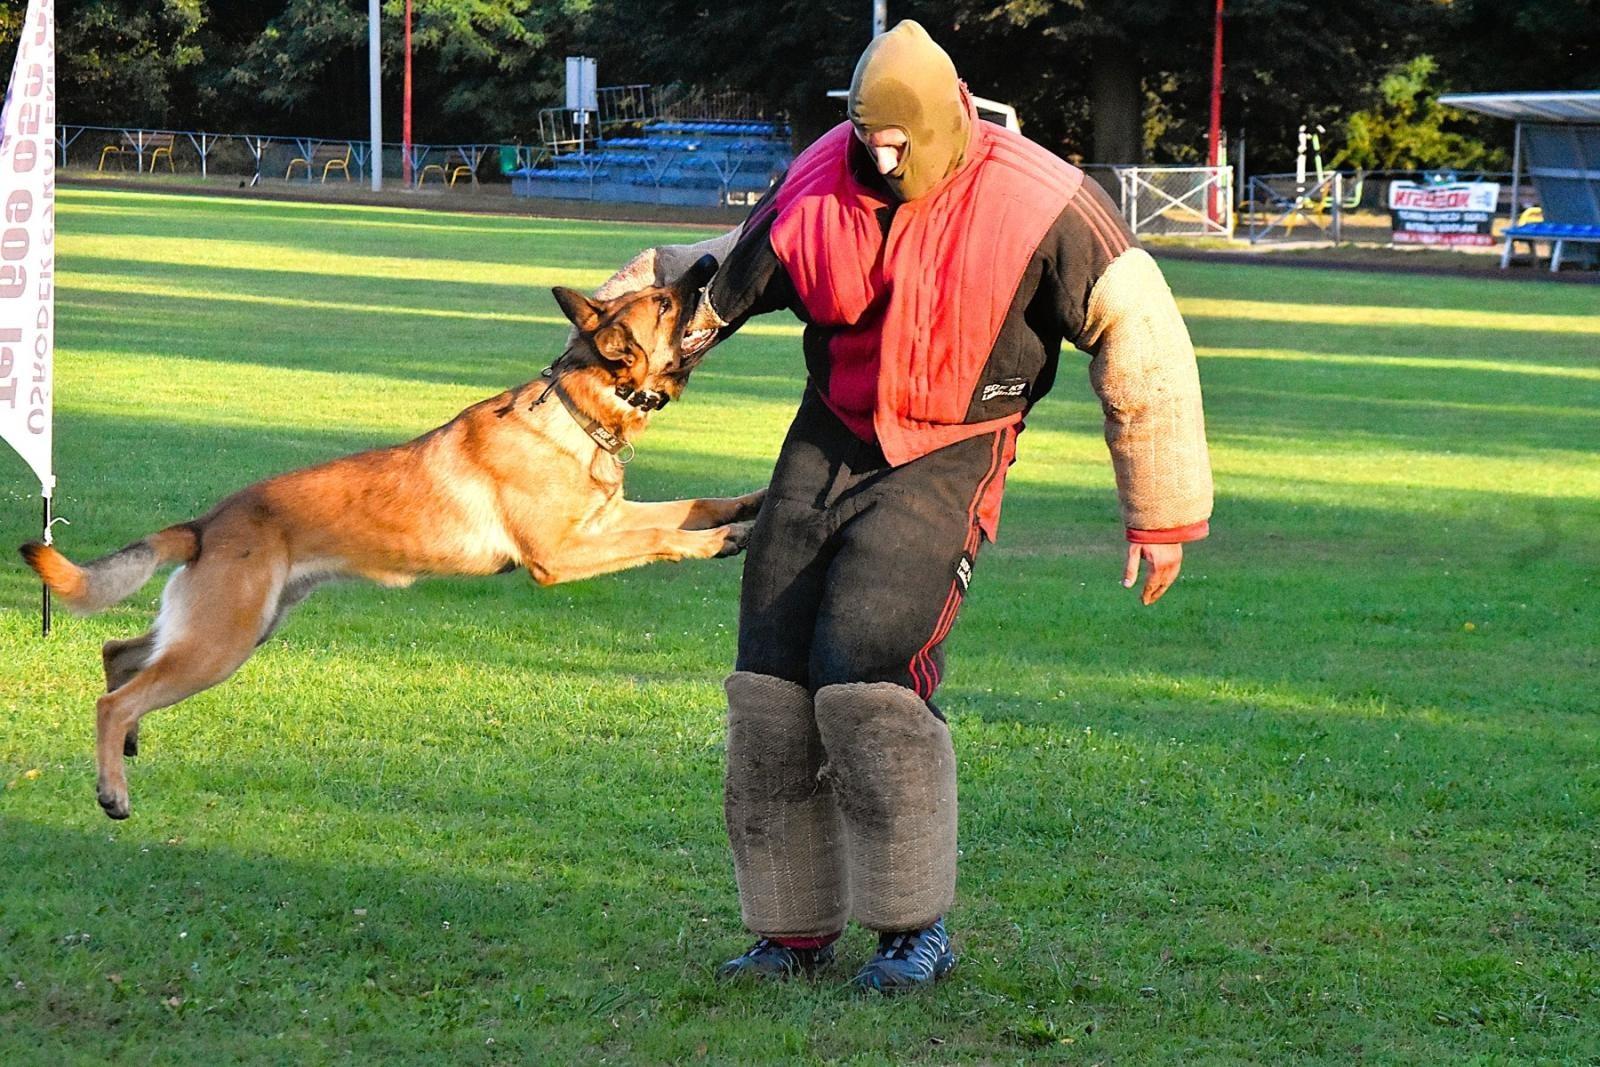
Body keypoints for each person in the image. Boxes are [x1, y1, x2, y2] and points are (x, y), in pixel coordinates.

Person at [595, 20, 1212, 993]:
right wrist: (608, 362)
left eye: (896, 143)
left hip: (949, 450)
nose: (879, 160)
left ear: (935, 125)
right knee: (769, 680)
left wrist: (1161, 509)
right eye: (864, 139)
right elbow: (715, 295)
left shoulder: (1044, 199)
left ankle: (911, 929)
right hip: (828, 434)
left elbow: (1144, 338)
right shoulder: (815, 179)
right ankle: (789, 931)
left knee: (866, 678)